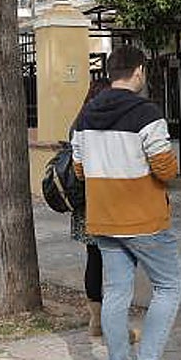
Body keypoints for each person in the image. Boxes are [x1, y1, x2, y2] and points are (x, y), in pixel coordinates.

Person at [71, 45, 181, 360]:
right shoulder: (146, 112)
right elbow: (166, 167)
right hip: (144, 220)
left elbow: (78, 167)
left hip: (103, 219)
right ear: (138, 72)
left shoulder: (86, 115)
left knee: (116, 294)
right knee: (170, 286)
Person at [72, 78, 110, 337]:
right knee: (117, 260)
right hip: (107, 201)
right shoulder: (108, 122)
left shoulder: (78, 123)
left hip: (85, 203)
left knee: (94, 259)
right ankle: (112, 325)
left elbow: (78, 166)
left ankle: (95, 320)